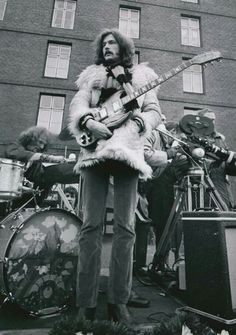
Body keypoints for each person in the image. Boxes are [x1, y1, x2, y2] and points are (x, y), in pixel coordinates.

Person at [69, 28, 162, 326]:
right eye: (104, 43)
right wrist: (87, 121)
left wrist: (138, 122)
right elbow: (78, 104)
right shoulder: (91, 77)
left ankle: (118, 301)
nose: (108, 46)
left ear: (124, 49)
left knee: (127, 228)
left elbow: (154, 111)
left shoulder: (142, 78)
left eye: (113, 43)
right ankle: (85, 303)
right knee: (90, 226)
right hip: (95, 152)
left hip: (128, 153)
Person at [5, 126, 79, 207]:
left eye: (44, 144)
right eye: (40, 142)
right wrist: (51, 158)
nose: (42, 147)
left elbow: (46, 175)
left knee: (53, 172)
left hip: (27, 203)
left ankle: (84, 172)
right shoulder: (15, 146)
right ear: (31, 138)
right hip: (6, 198)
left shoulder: (36, 165)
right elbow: (15, 154)